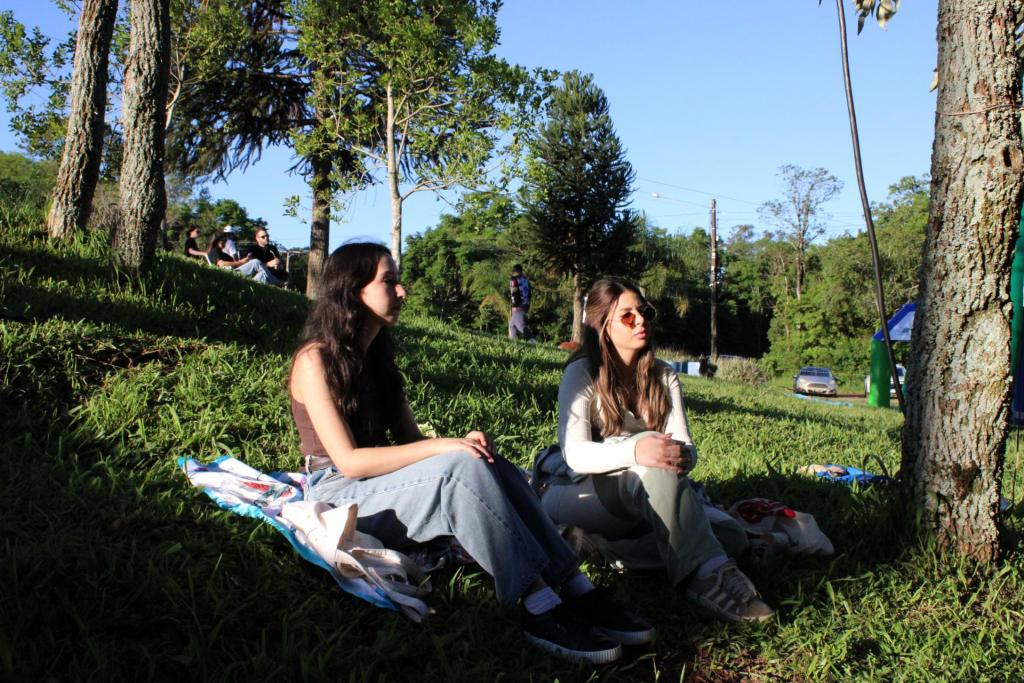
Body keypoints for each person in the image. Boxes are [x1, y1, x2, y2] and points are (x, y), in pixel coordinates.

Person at [290, 242, 653, 664]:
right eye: (389, 281)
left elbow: (411, 442)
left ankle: (577, 588)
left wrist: (462, 443)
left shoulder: (379, 364)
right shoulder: (315, 360)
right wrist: (447, 446)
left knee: (483, 460)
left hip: (380, 485)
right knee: (456, 466)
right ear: (353, 291)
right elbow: (349, 461)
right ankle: (538, 605)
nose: (402, 291)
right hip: (338, 494)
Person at [536, 276, 774, 623]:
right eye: (627, 316)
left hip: (648, 490)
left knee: (731, 536)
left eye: (645, 312)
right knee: (657, 471)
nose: (641, 321)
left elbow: (687, 446)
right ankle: (707, 579)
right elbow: (576, 455)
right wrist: (637, 450)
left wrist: (681, 455)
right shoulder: (582, 370)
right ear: (602, 327)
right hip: (577, 492)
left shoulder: (663, 376)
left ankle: (608, 550)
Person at [207, 231, 282, 286]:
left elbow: (237, 265)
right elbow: (221, 264)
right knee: (255, 262)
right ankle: (276, 281)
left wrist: (246, 260)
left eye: (226, 241)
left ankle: (254, 288)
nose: (225, 243)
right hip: (228, 274)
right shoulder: (214, 251)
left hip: (234, 272)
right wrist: (242, 261)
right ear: (217, 241)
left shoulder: (224, 254)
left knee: (262, 275)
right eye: (223, 241)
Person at [508, 264, 531, 340]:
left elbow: (514, 293)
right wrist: (527, 303)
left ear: (514, 271)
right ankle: (512, 341)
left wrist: (514, 305)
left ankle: (532, 340)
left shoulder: (514, 280)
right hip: (526, 304)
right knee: (512, 325)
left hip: (518, 305)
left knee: (520, 326)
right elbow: (530, 293)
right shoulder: (525, 279)